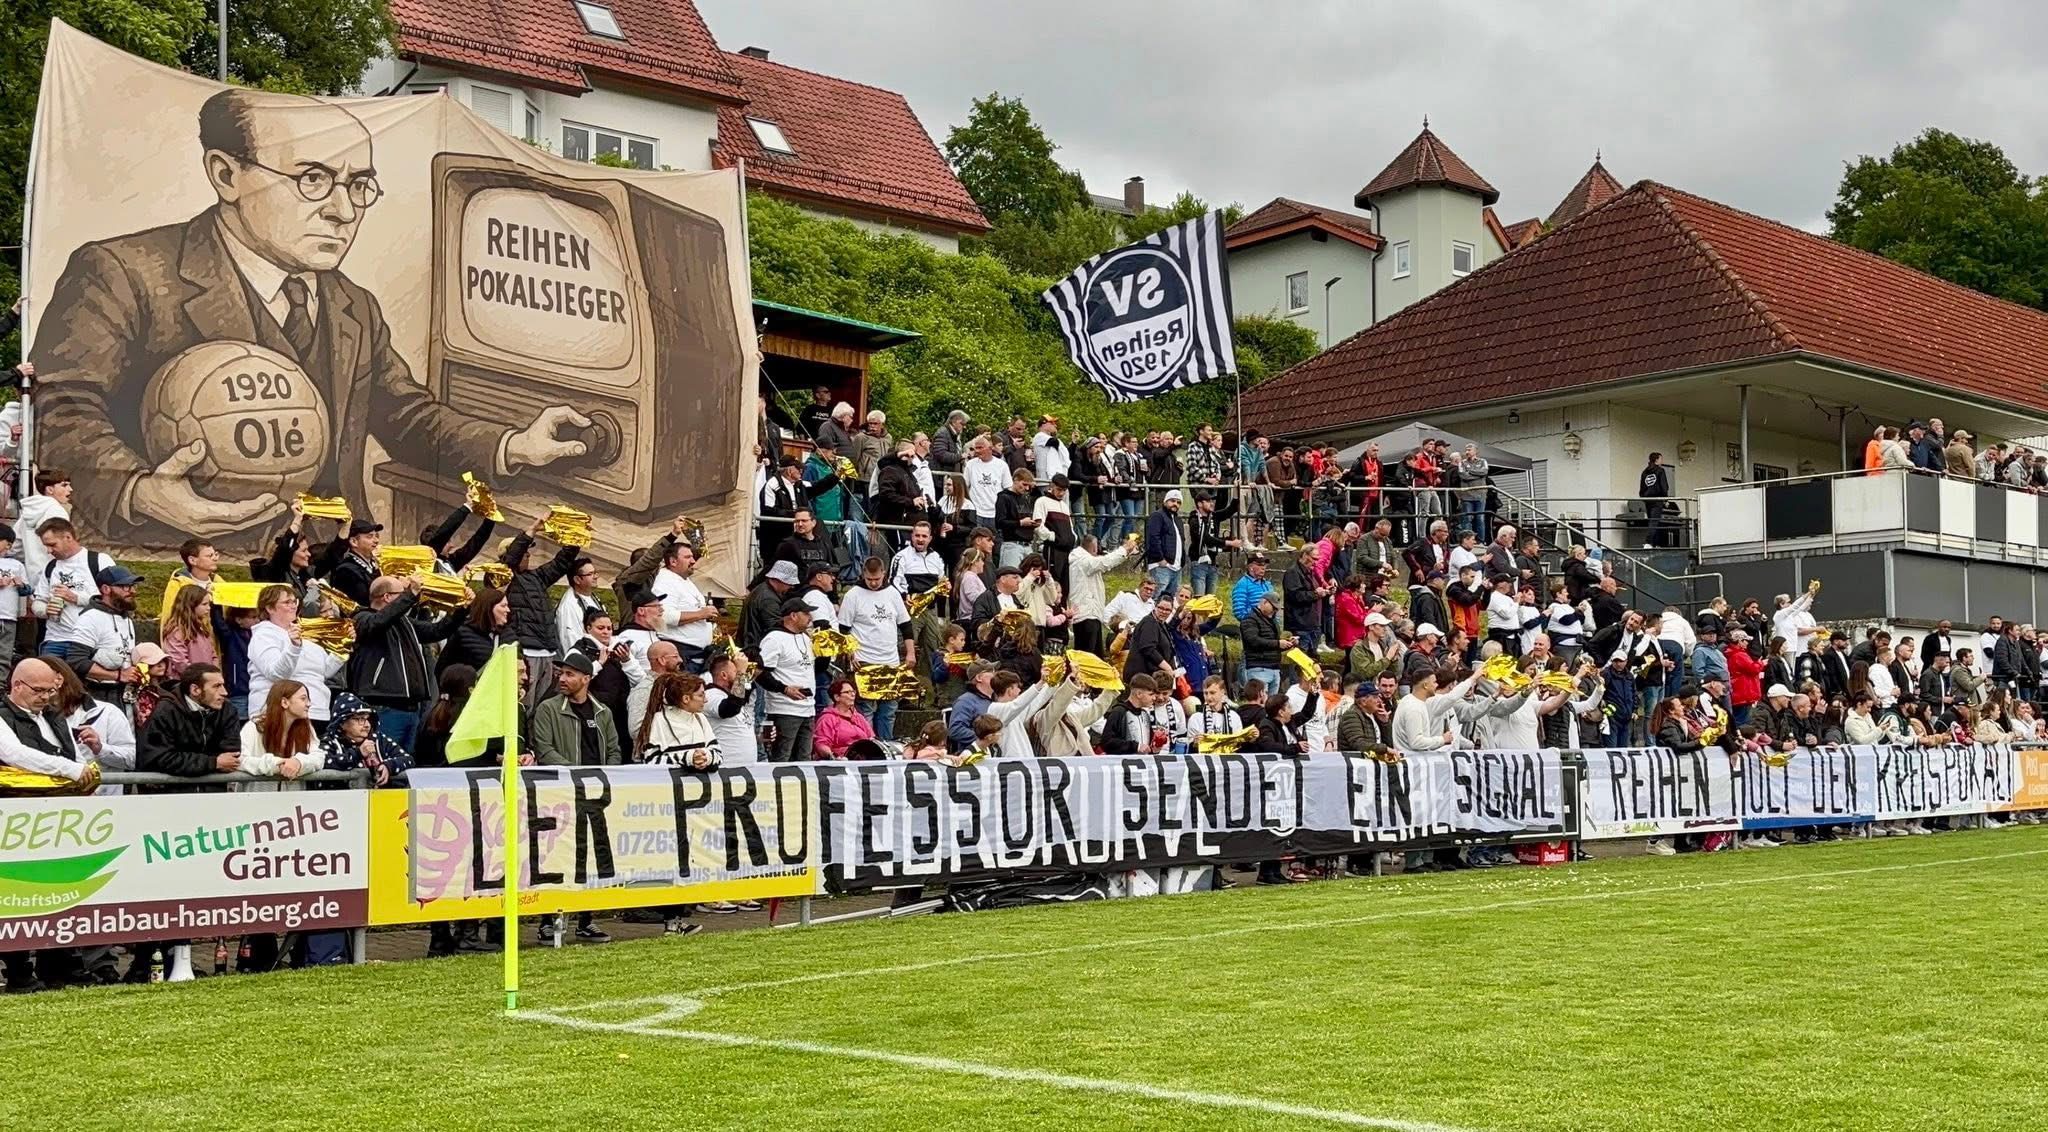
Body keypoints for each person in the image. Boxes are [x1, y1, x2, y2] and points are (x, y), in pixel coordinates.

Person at [348, 575, 462, 751]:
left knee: (405, 765)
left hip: (412, 709)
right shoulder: (362, 617)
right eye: (402, 594)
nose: (410, 600)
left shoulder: (404, 622)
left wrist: (462, 609)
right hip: (384, 707)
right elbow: (378, 622)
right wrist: (411, 594)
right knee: (383, 760)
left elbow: (436, 631)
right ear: (387, 597)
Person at [759, 598, 818, 762]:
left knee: (804, 758)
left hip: (807, 708)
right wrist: (784, 689)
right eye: (805, 613)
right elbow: (760, 673)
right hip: (784, 709)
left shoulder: (805, 637)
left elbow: (811, 668)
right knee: (782, 757)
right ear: (793, 615)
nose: (810, 617)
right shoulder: (774, 639)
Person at [237, 679, 319, 792]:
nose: (309, 704)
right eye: (303, 699)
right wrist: (276, 765)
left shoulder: (306, 727)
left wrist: (299, 762)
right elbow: (240, 760)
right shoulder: (253, 728)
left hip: (294, 804)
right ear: (284, 702)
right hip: (257, 802)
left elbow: (319, 756)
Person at [813, 679, 876, 759]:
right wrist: (833, 757)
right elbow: (821, 744)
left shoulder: (858, 717)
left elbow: (871, 739)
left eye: (853, 691)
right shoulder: (827, 718)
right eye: (847, 692)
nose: (852, 694)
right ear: (837, 697)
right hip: (840, 761)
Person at [555, 558, 603, 659]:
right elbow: (569, 640)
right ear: (577, 579)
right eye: (590, 574)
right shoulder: (569, 605)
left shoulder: (593, 597)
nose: (596, 577)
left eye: (595, 573)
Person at [1638, 452, 1673, 549]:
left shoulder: (1644, 472)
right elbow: (1664, 486)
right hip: (1657, 499)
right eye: (1661, 459)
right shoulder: (1660, 471)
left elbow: (1642, 487)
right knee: (1654, 521)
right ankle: (1649, 542)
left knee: (1652, 521)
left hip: (1648, 499)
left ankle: (1655, 543)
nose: (1662, 461)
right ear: (1656, 460)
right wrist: (1665, 499)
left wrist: (1643, 497)